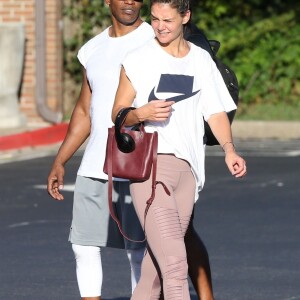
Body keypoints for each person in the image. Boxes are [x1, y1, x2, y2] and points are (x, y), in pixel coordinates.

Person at [47, 0, 214, 299]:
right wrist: (61, 160)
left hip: (143, 163)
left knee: (143, 249)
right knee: (83, 246)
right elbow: (86, 111)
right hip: (96, 163)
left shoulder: (157, 37)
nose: (130, 1)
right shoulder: (92, 49)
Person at [111, 0, 247, 299]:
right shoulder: (138, 58)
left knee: (154, 274)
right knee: (174, 265)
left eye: (168, 20)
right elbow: (118, 112)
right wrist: (141, 113)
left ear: (185, 16)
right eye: (155, 18)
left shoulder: (200, 60)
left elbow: (214, 112)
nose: (160, 26)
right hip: (151, 170)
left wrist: (229, 149)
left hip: (188, 172)